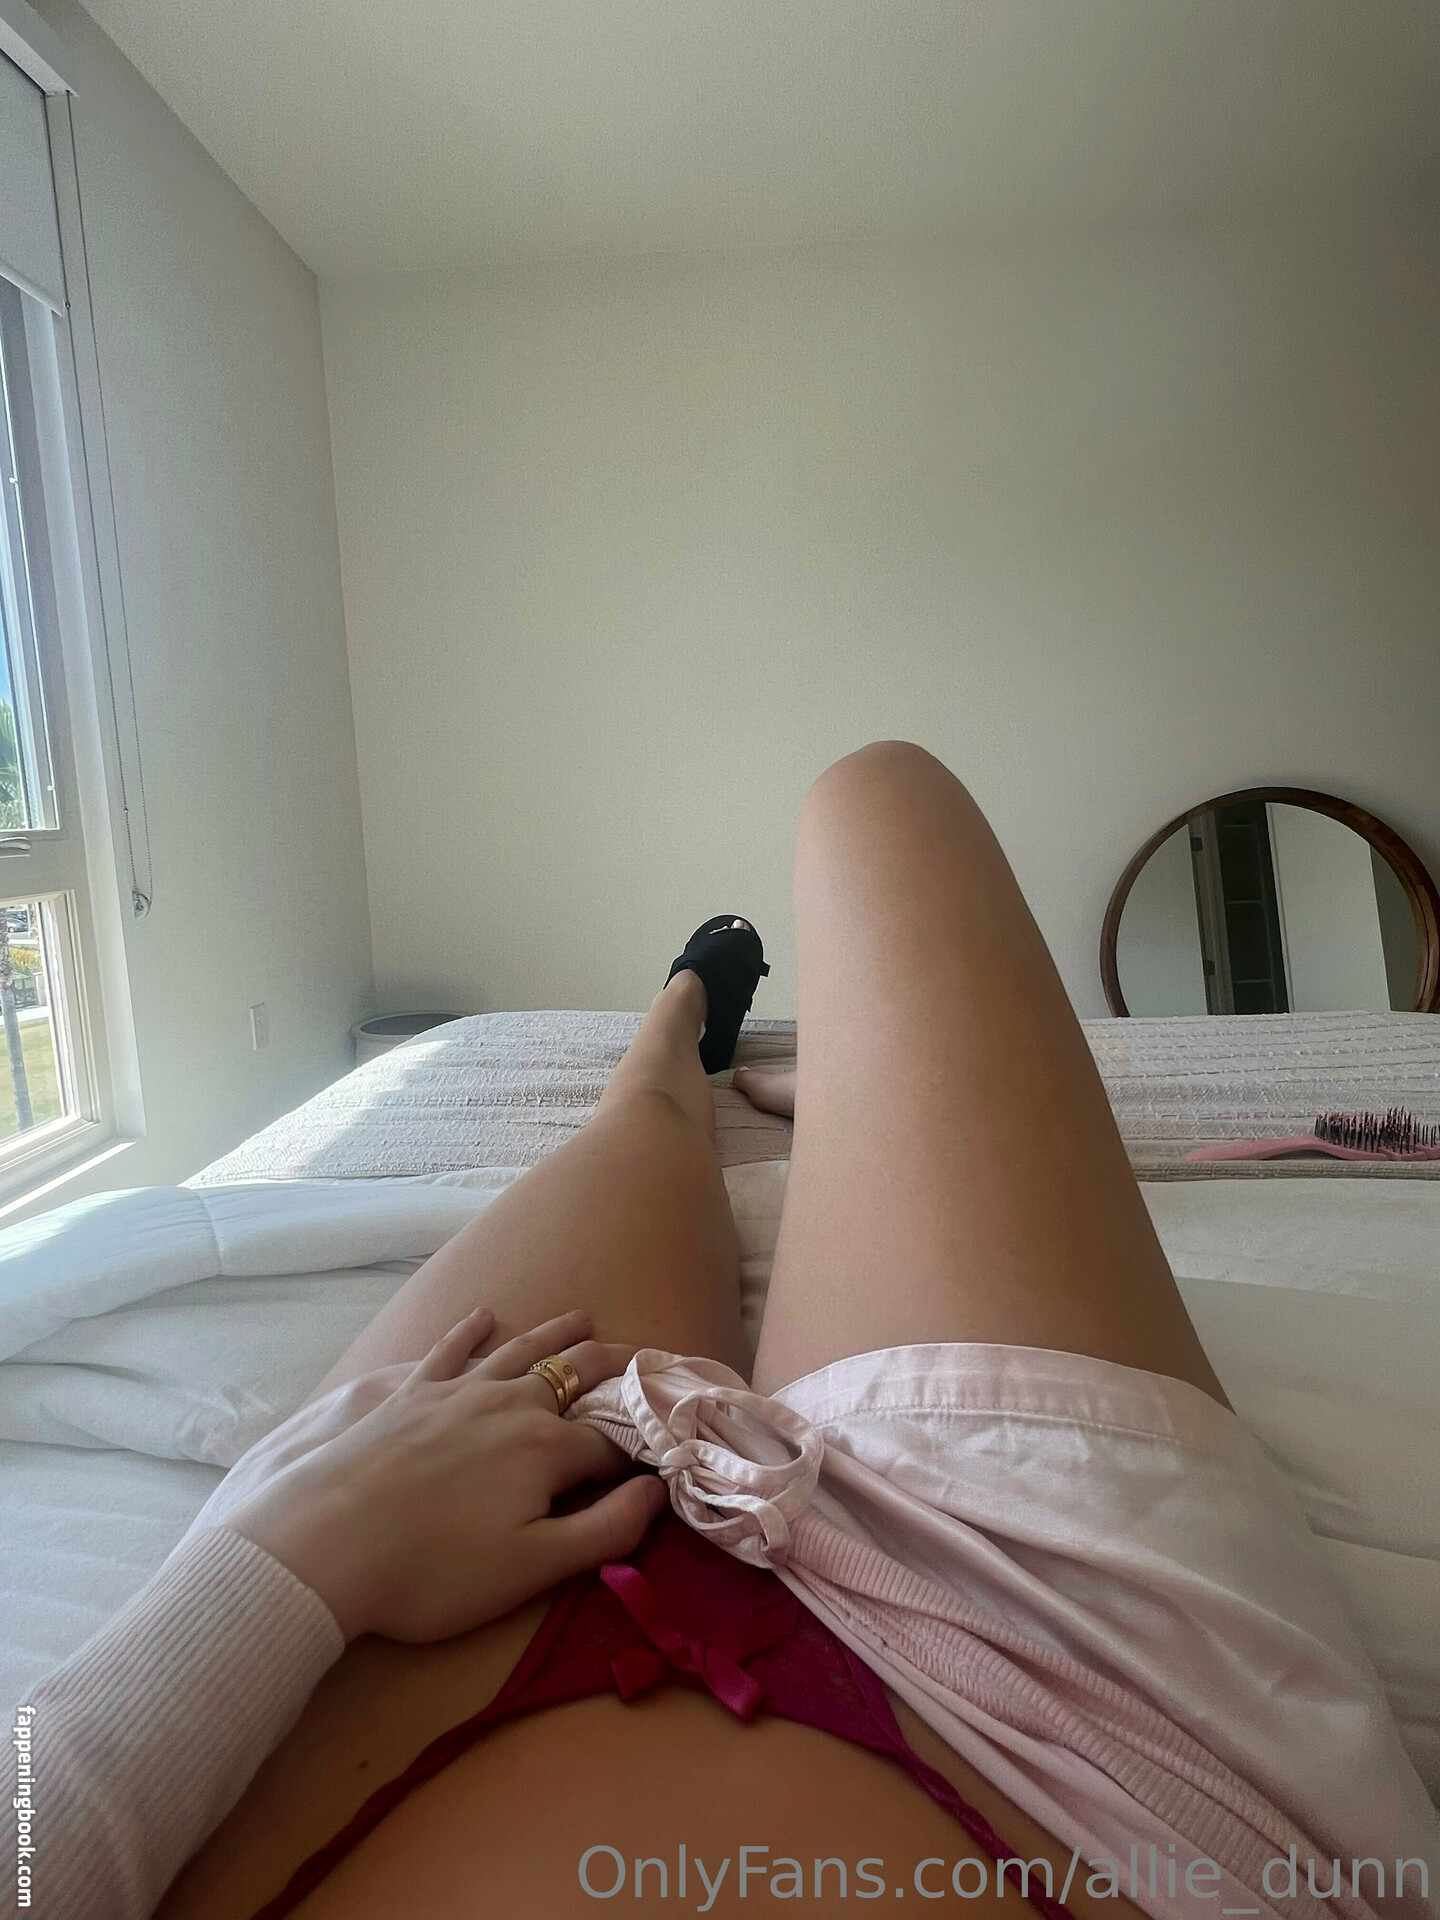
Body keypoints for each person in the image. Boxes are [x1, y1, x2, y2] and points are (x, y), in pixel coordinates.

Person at [16, 743, 1438, 1920]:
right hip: (1092, 1731)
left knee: (651, 1108)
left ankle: (681, 1029)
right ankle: (840, 1116)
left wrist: (287, 1556)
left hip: (369, 1665)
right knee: (882, 807)